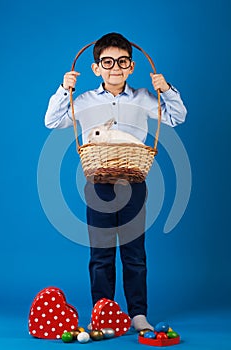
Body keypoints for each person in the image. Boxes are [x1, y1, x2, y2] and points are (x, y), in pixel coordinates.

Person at [44, 32, 187, 331]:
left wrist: (167, 89)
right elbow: (53, 121)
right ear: (96, 68)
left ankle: (138, 314)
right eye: (107, 62)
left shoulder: (144, 99)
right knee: (101, 253)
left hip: (134, 182)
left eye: (122, 62)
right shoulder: (83, 101)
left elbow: (176, 117)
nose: (115, 68)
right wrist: (63, 88)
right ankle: (102, 311)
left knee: (134, 252)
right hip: (98, 184)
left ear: (131, 67)